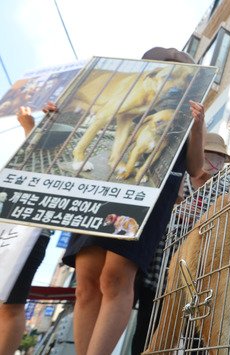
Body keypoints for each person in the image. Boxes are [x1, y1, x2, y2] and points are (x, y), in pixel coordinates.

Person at [61, 47, 207, 355]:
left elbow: (195, 169)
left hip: (148, 197)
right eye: (167, 72)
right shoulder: (132, 94)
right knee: (86, 280)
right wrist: (55, 115)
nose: (175, 80)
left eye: (183, 74)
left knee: (116, 276)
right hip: (101, 189)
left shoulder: (186, 112)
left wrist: (198, 126)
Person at [130, 132, 230, 355]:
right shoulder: (175, 180)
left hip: (200, 276)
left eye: (219, 159)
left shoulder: (225, 191)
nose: (214, 163)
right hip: (160, 272)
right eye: (209, 155)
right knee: (148, 330)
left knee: (197, 337)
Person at [0, 104, 55, 355]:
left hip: (25, 228)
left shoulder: (45, 136)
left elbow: (37, 168)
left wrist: (31, 127)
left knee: (9, 304)